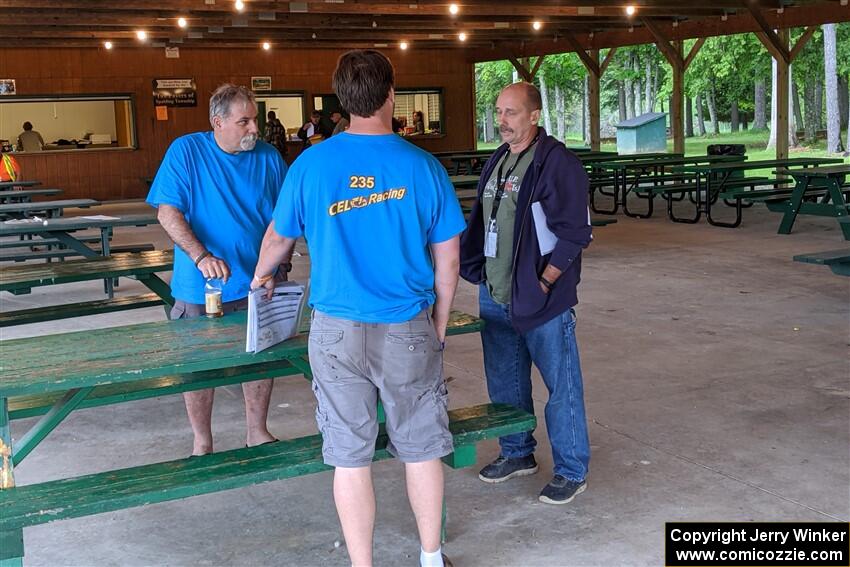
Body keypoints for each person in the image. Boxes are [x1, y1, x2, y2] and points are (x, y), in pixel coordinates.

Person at [252, 49, 464, 567]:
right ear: (391, 95)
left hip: (336, 332)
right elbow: (449, 259)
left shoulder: (311, 164)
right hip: (406, 327)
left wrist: (260, 278)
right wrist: (438, 321)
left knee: (349, 457)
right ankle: (430, 557)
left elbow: (278, 239)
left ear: (341, 101)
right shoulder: (423, 166)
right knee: (421, 446)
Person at [459, 82, 592, 505]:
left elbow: (575, 234)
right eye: (498, 112)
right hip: (496, 292)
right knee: (504, 382)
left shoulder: (557, 164)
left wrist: (545, 282)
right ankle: (517, 453)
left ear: (534, 116)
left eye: (511, 113)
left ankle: (572, 470)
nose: (502, 121)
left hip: (540, 299)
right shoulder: (500, 159)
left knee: (561, 385)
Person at [146, 84, 288, 456]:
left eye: (254, 120)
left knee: (260, 359)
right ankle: (202, 440)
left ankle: (257, 431)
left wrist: (278, 265)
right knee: (198, 366)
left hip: (259, 281)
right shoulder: (187, 151)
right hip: (201, 286)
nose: (254, 129)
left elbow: (286, 219)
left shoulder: (269, 158)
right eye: (244, 121)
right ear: (217, 122)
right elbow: (167, 212)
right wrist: (200, 255)